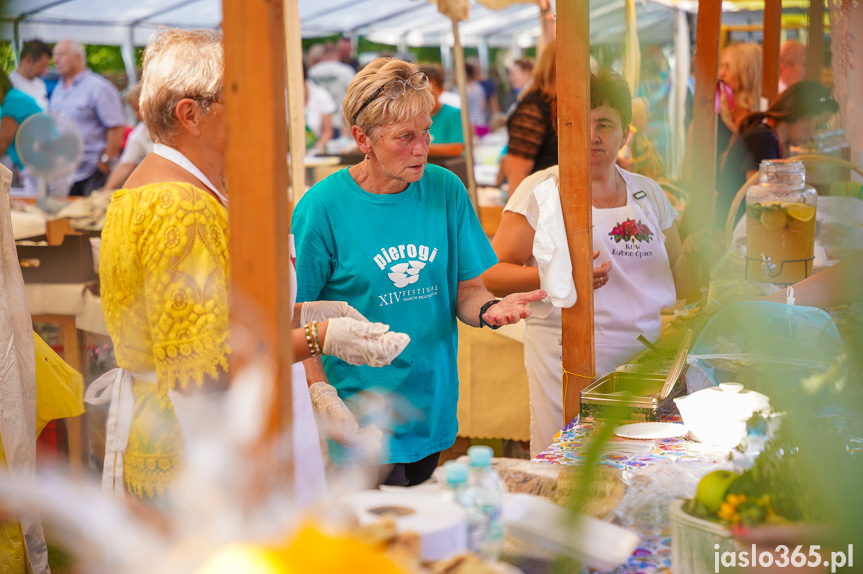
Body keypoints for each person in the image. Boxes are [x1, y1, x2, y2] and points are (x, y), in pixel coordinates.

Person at [96, 28, 409, 502]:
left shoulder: (186, 189)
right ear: (190, 115)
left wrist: (306, 313)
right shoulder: (178, 205)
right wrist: (317, 339)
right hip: (197, 453)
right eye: (239, 100)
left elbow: (223, 316)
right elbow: (204, 368)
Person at [292, 58, 545, 486]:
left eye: (426, 132)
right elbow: (299, 314)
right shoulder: (322, 209)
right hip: (359, 418)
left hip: (431, 406)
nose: (422, 148)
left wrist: (490, 309)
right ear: (362, 138)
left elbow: (468, 291)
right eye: (405, 137)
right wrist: (322, 393)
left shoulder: (446, 190)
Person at [482, 69, 707, 457]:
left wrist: (696, 255)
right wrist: (561, 277)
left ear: (626, 130)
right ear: (560, 128)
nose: (592, 136)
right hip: (564, 359)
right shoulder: (540, 191)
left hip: (642, 364)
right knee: (568, 464)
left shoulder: (647, 193)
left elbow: (678, 285)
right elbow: (491, 275)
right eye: (578, 124)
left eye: (605, 123)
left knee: (635, 462)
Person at [716, 80, 838, 228]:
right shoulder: (763, 140)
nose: (813, 136)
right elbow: (764, 204)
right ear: (802, 113)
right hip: (736, 236)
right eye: (817, 126)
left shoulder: (771, 138)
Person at [49, 39, 126, 196]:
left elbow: (117, 126)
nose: (56, 60)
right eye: (55, 55)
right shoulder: (58, 89)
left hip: (93, 170)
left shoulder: (98, 87)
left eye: (61, 55)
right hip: (65, 170)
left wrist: (107, 160)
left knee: (91, 217)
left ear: (78, 57)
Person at [500, 40, 558, 194]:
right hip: (541, 205)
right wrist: (517, 214)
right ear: (553, 68)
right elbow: (517, 172)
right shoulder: (534, 108)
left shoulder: (562, 104)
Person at [103, 83, 153, 191]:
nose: (136, 115)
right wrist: (106, 190)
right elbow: (125, 164)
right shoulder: (139, 133)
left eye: (139, 109)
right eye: (134, 110)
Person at [307, 43, 357, 138]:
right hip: (340, 121)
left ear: (323, 55)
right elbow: (354, 96)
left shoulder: (312, 71)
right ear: (337, 55)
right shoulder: (346, 71)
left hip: (318, 122)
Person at [0, 72, 43, 178]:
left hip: (43, 170)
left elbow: (3, 142)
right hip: (33, 168)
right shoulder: (10, 99)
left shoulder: (13, 101)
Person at [421, 64, 464, 157]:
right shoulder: (412, 117)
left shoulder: (454, 114)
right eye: (421, 91)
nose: (426, 96)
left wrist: (419, 148)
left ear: (442, 90)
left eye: (431, 92)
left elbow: (457, 149)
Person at [9, 39, 51, 110]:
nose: (45, 71)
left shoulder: (41, 84)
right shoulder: (9, 84)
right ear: (28, 61)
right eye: (42, 66)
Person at [303, 63, 335, 155]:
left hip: (315, 154)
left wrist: (318, 148)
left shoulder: (321, 95)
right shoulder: (283, 97)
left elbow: (328, 131)